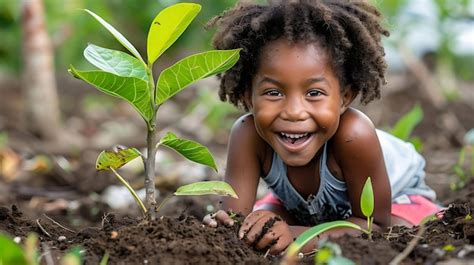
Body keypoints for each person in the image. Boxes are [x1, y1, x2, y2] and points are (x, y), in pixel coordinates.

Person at [203, 0, 440, 255]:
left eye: (314, 93)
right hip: (305, 206)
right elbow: (234, 217)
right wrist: (225, 225)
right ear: (250, 97)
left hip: (393, 201)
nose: (294, 112)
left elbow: (375, 225)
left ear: (344, 98)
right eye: (273, 92)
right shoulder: (247, 135)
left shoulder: (354, 135)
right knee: (260, 221)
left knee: (402, 230)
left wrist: (295, 235)